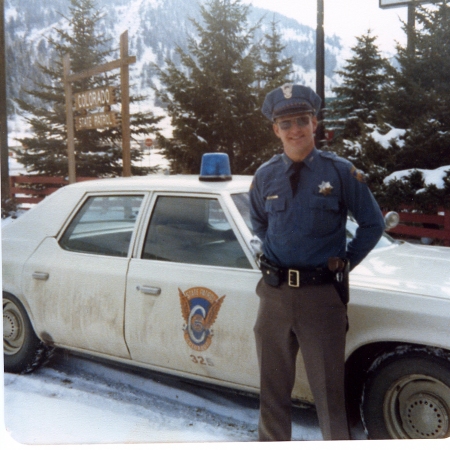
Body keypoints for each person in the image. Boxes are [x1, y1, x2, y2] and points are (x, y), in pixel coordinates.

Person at [249, 83, 385, 441]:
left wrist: (344, 263)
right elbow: (260, 223)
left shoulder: (340, 172)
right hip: (274, 295)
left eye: (302, 120)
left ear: (314, 123)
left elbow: (373, 224)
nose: (295, 130)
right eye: (286, 123)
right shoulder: (265, 176)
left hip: (321, 296)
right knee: (272, 389)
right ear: (275, 129)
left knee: (329, 394)